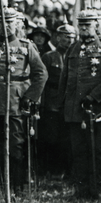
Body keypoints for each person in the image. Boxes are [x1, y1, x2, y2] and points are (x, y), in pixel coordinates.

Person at [0, 7, 48, 195]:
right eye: (1, 21)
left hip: (15, 102)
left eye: (9, 21)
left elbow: (41, 74)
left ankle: (16, 185)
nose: (5, 25)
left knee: (15, 145)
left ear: (17, 24)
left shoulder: (26, 46)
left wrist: (30, 97)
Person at [58, 9, 101, 199]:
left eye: (88, 25)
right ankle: (80, 188)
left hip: (96, 107)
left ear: (97, 26)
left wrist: (94, 97)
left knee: (96, 149)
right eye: (81, 25)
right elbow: (65, 78)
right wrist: (62, 102)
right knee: (78, 149)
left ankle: (96, 188)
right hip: (75, 108)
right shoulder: (73, 48)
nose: (84, 28)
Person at [39, 22, 76, 179]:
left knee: (68, 139)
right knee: (51, 139)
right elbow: (42, 82)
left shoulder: (77, 57)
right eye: (65, 37)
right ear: (57, 38)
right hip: (53, 103)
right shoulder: (49, 57)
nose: (69, 40)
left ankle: (68, 171)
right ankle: (52, 170)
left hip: (71, 103)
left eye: (72, 37)